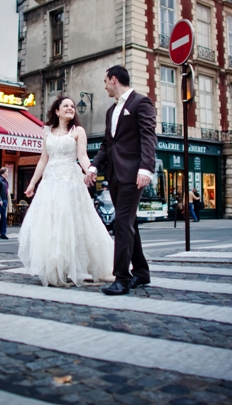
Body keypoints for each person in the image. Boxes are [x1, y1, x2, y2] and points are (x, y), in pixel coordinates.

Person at [18, 96, 115, 287]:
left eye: (72, 106)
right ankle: (56, 268)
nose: (70, 108)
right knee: (52, 223)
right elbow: (43, 160)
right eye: (66, 105)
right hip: (50, 182)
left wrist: (89, 171)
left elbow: (82, 156)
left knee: (74, 222)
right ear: (57, 111)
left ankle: (89, 267)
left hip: (70, 181)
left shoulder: (78, 131)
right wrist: (32, 184)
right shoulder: (47, 133)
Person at [85, 65, 157, 296]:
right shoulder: (111, 111)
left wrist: (146, 168)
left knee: (122, 223)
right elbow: (108, 144)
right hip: (114, 175)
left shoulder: (141, 102)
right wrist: (94, 166)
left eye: (105, 81)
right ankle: (142, 272)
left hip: (133, 174)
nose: (105, 86)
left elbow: (148, 137)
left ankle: (122, 278)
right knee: (129, 223)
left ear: (114, 79)